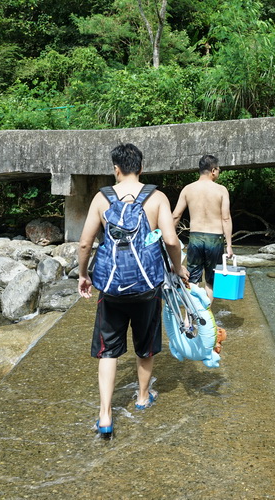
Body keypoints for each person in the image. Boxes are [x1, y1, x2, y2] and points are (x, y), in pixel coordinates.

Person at [77, 143, 188, 437]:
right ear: (141, 167)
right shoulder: (157, 197)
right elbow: (172, 241)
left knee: (108, 350)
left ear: (116, 169)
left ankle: (104, 414)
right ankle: (141, 398)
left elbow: (85, 243)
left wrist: (83, 274)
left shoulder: (102, 198)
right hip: (147, 287)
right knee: (145, 345)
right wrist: (177, 268)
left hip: (111, 288)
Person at [172, 154, 233, 303]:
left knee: (192, 280)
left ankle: (188, 320)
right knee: (211, 282)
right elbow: (226, 218)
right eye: (218, 169)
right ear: (213, 170)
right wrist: (229, 245)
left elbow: (175, 215)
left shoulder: (188, 189)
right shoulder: (221, 190)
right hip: (215, 239)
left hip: (195, 238)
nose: (218, 172)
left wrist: (167, 236)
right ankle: (206, 321)